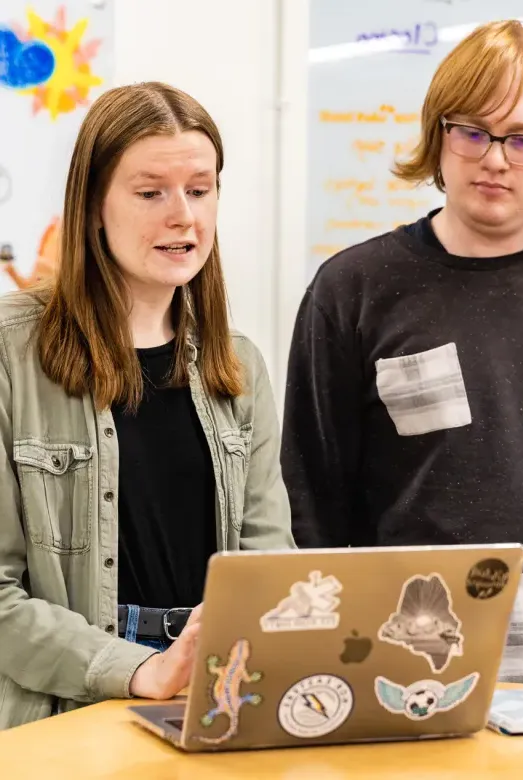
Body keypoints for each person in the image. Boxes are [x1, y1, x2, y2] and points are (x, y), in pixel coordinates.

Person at [281, 20, 523, 689]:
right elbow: (313, 503)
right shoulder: (352, 289)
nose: (495, 158)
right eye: (472, 130)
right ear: (436, 134)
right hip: (411, 671)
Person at [0, 81, 294, 730]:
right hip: (64, 707)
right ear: (93, 207)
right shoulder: (9, 353)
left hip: (218, 691)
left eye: (199, 188)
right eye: (150, 192)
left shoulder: (239, 366)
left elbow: (270, 572)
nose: (183, 216)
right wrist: (137, 668)